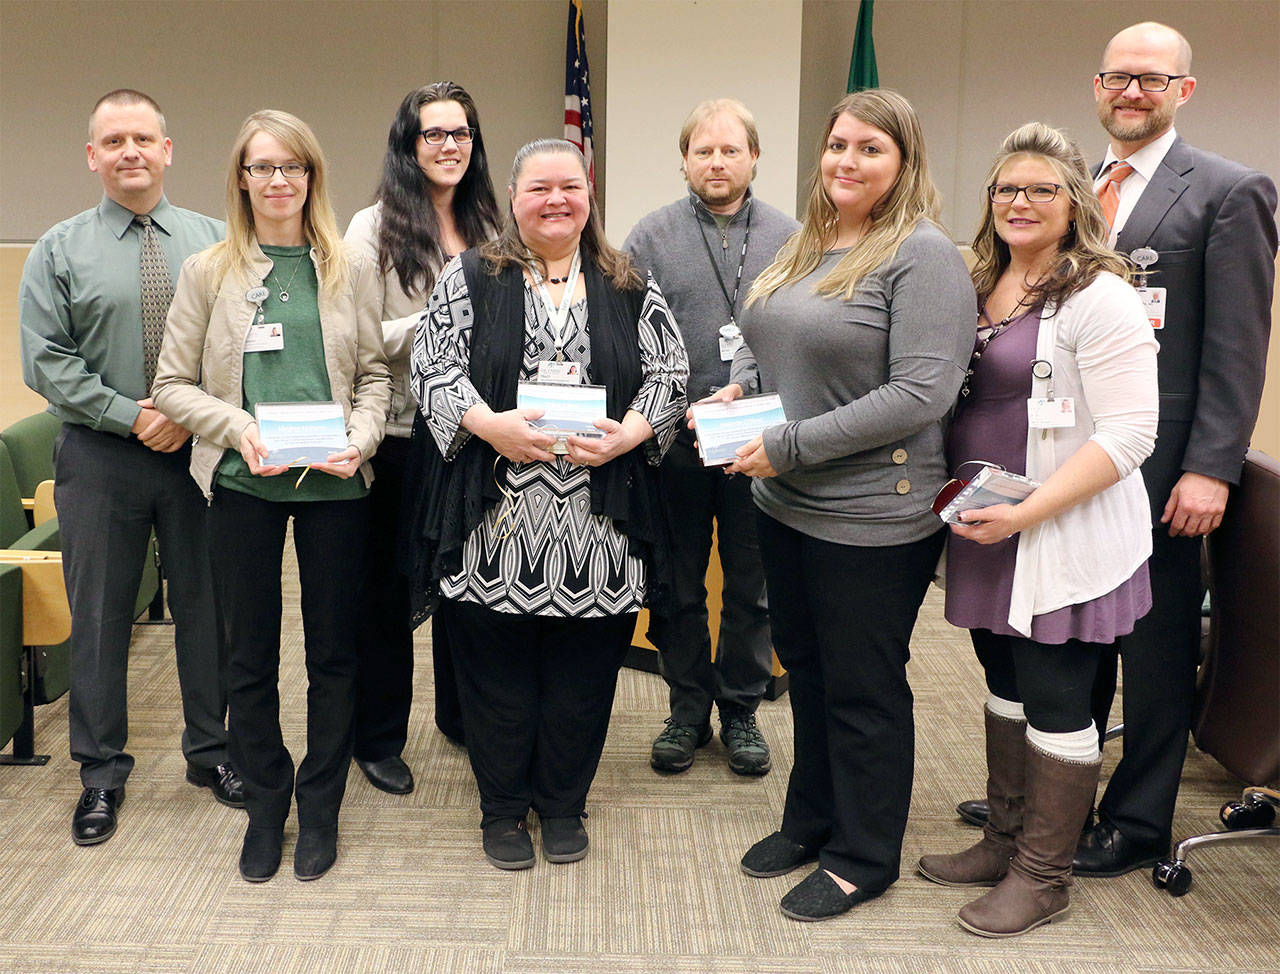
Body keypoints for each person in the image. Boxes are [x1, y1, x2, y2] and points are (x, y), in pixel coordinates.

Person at [953, 23, 1280, 878]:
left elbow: (1238, 344)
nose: (1132, 92)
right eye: (1117, 77)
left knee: (1155, 649)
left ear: (1184, 90)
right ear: (1097, 87)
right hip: (1063, 455)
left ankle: (1137, 820)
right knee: (1073, 644)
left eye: (1151, 79)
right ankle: (1055, 800)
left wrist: (1210, 467)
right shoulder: (1073, 185)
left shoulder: (1228, 190)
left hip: (1162, 468)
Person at [727, 90, 976, 921]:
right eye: (838, 144)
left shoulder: (923, 255)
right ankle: (812, 819)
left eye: (871, 148)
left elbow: (921, 394)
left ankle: (864, 856)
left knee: (863, 689)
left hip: (872, 516)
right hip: (785, 502)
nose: (847, 160)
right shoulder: (812, 239)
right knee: (807, 672)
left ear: (904, 161)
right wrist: (743, 393)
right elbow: (771, 344)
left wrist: (792, 443)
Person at [407, 139, 688, 870]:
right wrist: (487, 425)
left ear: (589, 194)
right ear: (513, 197)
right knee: (496, 677)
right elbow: (431, 367)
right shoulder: (471, 276)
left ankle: (564, 804)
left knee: (583, 678)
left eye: (570, 186)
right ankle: (502, 810)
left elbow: (670, 372)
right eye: (539, 188)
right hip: (494, 521)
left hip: (600, 522)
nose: (556, 199)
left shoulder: (628, 282)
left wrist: (632, 434)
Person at [916, 123, 1159, 938]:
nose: (1019, 201)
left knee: (1056, 696)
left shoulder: (1101, 295)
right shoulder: (978, 280)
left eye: (1041, 189)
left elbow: (1130, 434)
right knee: (1003, 678)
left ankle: (1044, 876)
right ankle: (1005, 838)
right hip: (988, 526)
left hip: (1059, 530)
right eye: (1006, 188)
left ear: (1075, 202)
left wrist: (1027, 513)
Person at [152, 110, 391, 883]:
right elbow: (171, 386)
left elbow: (376, 377)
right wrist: (239, 427)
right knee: (247, 655)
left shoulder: (348, 268)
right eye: (262, 167)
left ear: (312, 176)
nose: (278, 180)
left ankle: (320, 806)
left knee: (335, 654)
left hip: (335, 487)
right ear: (242, 179)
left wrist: (362, 438)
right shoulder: (209, 271)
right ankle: (266, 804)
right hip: (242, 484)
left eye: (293, 166)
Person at [18, 89, 240, 847]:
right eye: (113, 141)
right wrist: (133, 415)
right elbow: (46, 362)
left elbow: (239, 346)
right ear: (93, 156)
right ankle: (101, 773)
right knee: (100, 619)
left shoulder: (218, 242)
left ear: (167, 149)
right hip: (99, 456)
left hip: (199, 455)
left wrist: (189, 414)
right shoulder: (58, 249)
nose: (130, 152)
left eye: (143, 138)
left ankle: (212, 753)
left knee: (208, 611)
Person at [623, 98, 798, 778]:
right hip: (675, 441)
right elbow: (627, 338)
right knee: (677, 585)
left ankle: (742, 710)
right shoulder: (650, 236)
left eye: (730, 150)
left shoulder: (791, 237)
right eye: (704, 151)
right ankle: (687, 708)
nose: (717, 162)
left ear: (754, 157)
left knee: (752, 586)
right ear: (684, 161)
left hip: (762, 445)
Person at [343, 82, 501, 793]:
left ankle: (461, 716)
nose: (449, 146)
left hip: (472, 432)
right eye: (433, 134)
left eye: (460, 133)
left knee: (467, 584)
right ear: (409, 145)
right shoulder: (372, 227)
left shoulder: (489, 220)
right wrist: (440, 319)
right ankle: (377, 737)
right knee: (386, 593)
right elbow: (355, 340)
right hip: (401, 434)